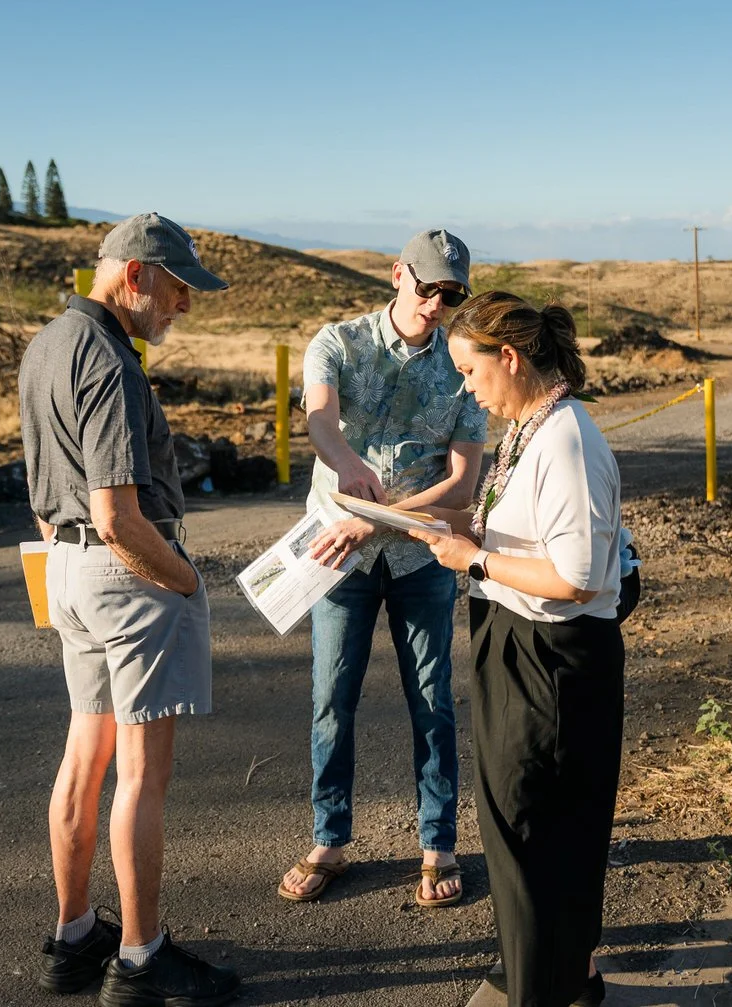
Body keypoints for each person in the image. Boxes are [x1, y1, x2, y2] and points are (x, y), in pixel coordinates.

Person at [20, 213, 242, 1007]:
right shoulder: (111, 360)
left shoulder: (46, 344)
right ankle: (143, 958)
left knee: (85, 754)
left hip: (68, 569)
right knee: (142, 775)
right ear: (137, 274)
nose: (184, 306)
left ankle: (75, 936)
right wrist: (182, 578)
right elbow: (117, 514)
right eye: (180, 288)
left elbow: (50, 497)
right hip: (126, 571)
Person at [409, 291, 626, 1007]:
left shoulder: (565, 437)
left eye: (470, 372)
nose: (465, 389)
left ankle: (547, 984)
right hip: (521, 646)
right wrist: (395, 517)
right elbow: (502, 519)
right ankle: (555, 973)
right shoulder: (531, 426)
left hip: (553, 661)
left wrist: (471, 561)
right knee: (525, 829)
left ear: (509, 357)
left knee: (535, 830)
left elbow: (573, 576)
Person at [277, 230, 489, 908]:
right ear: (397, 274)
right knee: (330, 699)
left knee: (432, 699)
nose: (437, 302)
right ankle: (330, 839)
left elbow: (462, 482)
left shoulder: (464, 366)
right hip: (338, 553)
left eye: (451, 294)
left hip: (419, 555)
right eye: (427, 287)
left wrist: (384, 516)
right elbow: (320, 419)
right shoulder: (337, 341)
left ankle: (438, 842)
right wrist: (346, 464)